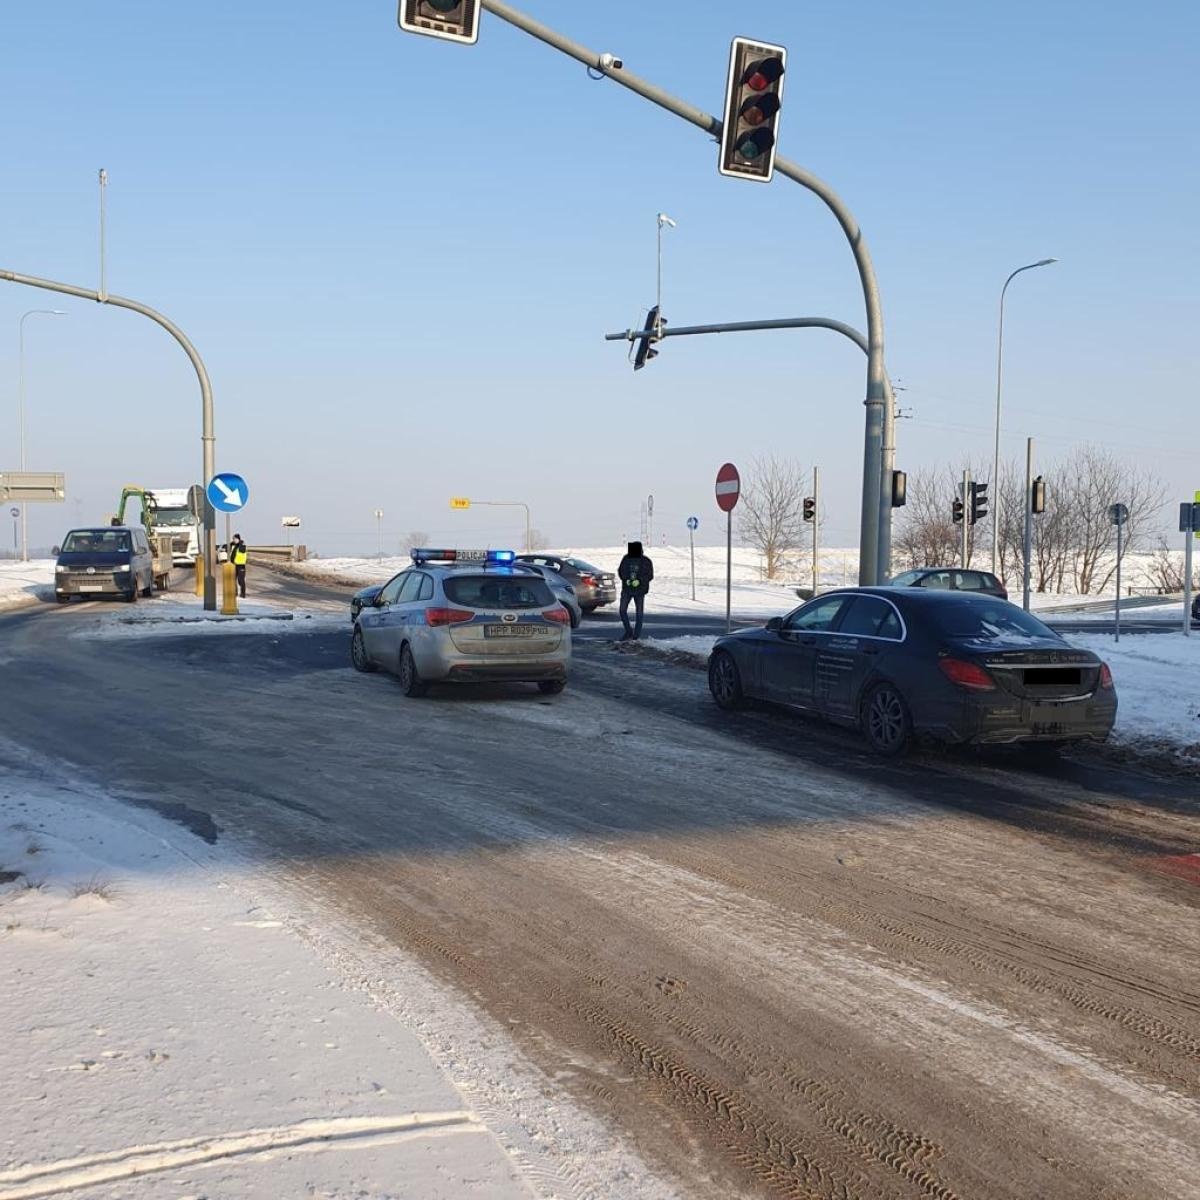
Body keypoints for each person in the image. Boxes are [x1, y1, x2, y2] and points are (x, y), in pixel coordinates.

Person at [617, 540, 654, 641]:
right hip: (627, 589)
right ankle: (628, 631)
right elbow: (621, 571)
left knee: (639, 613)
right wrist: (626, 579)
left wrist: (640, 581)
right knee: (622, 610)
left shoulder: (646, 561)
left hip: (640, 591)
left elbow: (650, 575)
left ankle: (636, 636)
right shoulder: (626, 559)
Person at [230, 533, 248, 598]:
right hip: (235, 565)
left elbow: (242, 550)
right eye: (233, 539)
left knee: (241, 580)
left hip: (241, 565)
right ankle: (235, 593)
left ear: (238, 539)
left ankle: (243, 594)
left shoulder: (242, 545)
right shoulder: (235, 546)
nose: (233, 540)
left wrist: (239, 543)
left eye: (234, 539)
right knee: (233, 579)